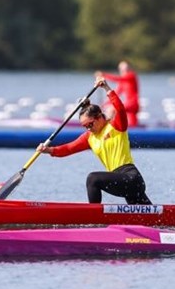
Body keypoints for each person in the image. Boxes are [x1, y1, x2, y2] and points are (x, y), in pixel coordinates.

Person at [38, 77, 151, 205]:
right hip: (120, 182)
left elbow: (120, 108)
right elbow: (68, 148)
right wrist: (48, 150)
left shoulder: (116, 126)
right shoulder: (89, 138)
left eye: (90, 125)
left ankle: (94, 216)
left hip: (131, 178)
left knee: (93, 179)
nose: (88, 129)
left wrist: (107, 89)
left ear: (99, 117)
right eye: (85, 126)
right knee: (149, 218)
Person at [96, 60, 140, 127]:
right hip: (128, 104)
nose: (124, 70)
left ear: (129, 68)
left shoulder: (131, 76)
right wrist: (104, 104)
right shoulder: (123, 82)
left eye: (125, 68)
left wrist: (103, 75)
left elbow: (117, 78)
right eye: (121, 69)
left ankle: (106, 128)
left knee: (112, 109)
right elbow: (115, 94)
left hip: (133, 104)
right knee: (132, 124)